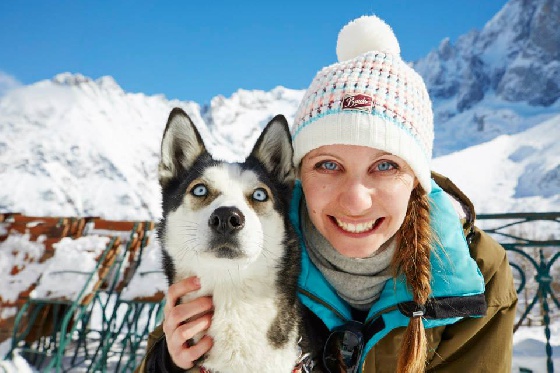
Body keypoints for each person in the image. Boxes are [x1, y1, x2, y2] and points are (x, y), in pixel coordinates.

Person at [136, 15, 517, 373]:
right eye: (329, 165)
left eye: (385, 166)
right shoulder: (252, 244)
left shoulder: (476, 276)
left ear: (416, 179)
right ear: (298, 174)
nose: (355, 200)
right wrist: (169, 364)